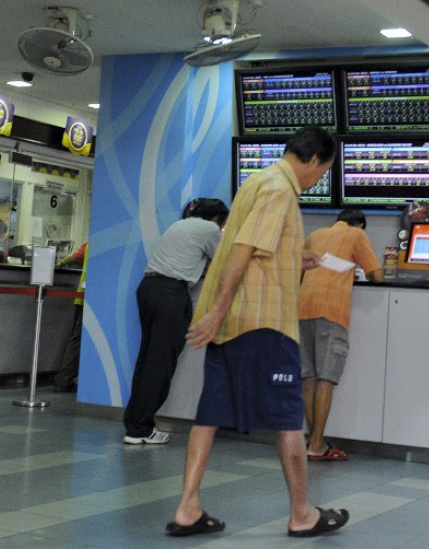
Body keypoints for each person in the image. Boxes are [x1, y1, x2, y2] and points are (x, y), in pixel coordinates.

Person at [169, 126, 349, 539]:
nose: (317, 180)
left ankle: (188, 508)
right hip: (264, 324)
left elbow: (253, 247)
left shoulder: (257, 181)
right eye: (321, 173)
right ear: (313, 159)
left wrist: (295, 258)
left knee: (209, 415)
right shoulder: (280, 191)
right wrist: (215, 310)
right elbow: (244, 251)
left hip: (234, 326)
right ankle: (302, 514)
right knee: (288, 418)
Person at [123, 198, 229, 444]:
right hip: (171, 294)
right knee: (160, 363)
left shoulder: (180, 225)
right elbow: (225, 260)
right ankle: (140, 429)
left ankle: (136, 424)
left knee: (147, 360)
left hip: (149, 288)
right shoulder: (210, 229)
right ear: (216, 218)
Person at [298, 209, 383, 462]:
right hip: (331, 311)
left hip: (302, 309)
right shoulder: (357, 234)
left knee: (309, 378)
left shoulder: (314, 234)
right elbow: (377, 275)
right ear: (360, 225)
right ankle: (315, 445)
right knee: (327, 377)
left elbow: (300, 271)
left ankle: (316, 441)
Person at [53, 242, 89, 393]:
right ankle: (64, 380)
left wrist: (60, 263)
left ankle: (66, 379)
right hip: (93, 299)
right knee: (79, 340)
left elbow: (73, 258)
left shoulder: (89, 244)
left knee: (77, 340)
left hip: (82, 296)